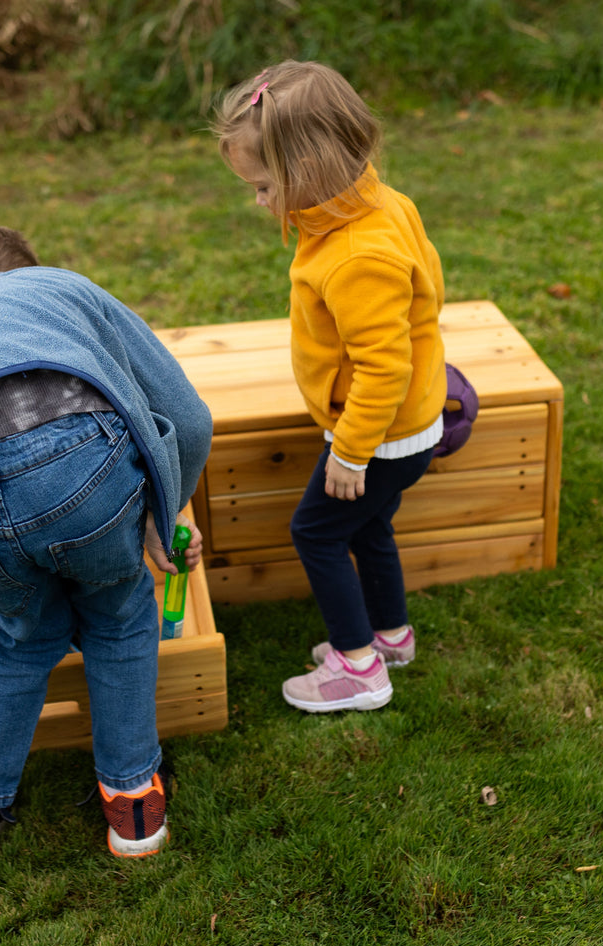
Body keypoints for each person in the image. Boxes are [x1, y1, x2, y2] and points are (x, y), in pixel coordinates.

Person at [0, 226, 213, 882]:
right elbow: (188, 417)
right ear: (26, 270)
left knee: (18, 634)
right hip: (72, 463)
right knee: (118, 612)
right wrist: (161, 511)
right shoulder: (61, 290)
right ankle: (132, 801)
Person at [213, 61, 448, 713]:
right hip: (400, 429)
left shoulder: (355, 255)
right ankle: (390, 633)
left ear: (307, 173)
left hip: (376, 436)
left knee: (315, 532)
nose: (257, 201)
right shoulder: (380, 206)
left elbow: (383, 365)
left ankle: (358, 666)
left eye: (263, 187)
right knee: (370, 527)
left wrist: (349, 451)